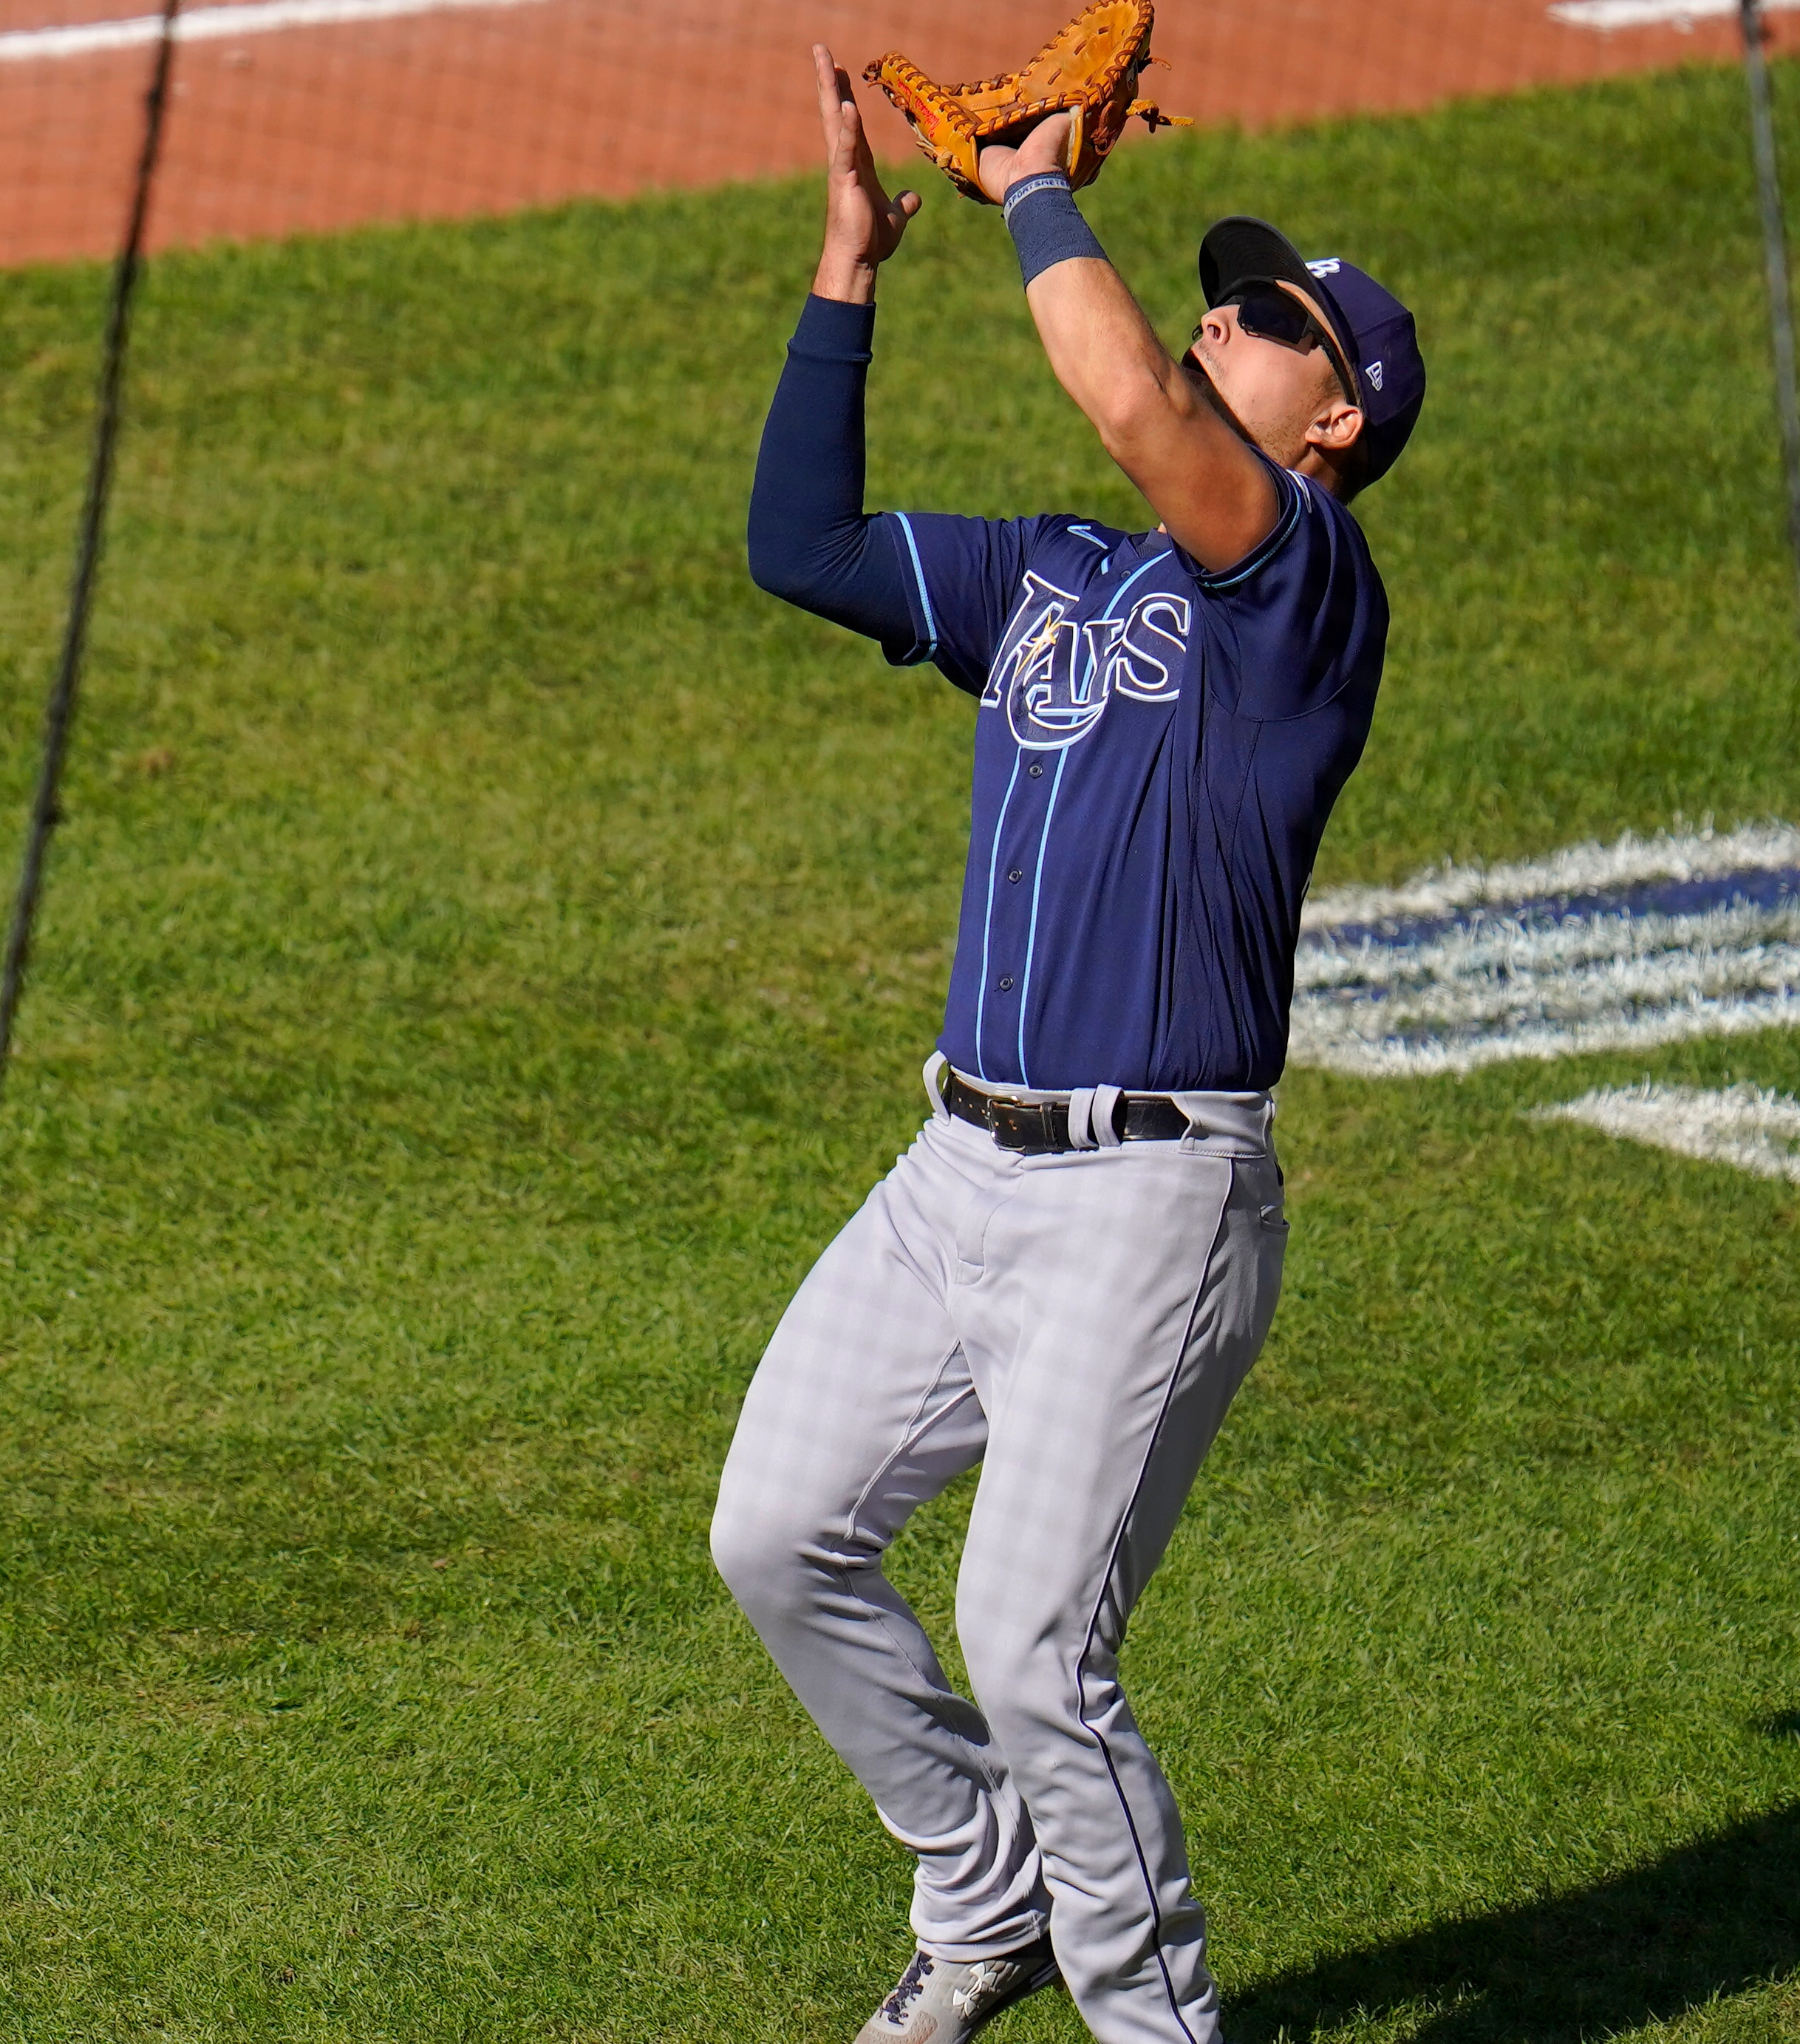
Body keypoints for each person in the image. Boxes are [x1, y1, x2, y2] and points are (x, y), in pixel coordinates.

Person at [711, 49, 1425, 2044]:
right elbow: (804, 545)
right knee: (772, 1530)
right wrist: (847, 264)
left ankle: (1155, 2025)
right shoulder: (1051, 572)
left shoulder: (1299, 594)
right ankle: (980, 1886)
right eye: (1227, 293)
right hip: (954, 1173)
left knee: (1031, 1650)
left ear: (1334, 415)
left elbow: (1131, 400)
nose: (1226, 315)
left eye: (1271, 319)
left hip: (1145, 1197)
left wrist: (1032, 186)